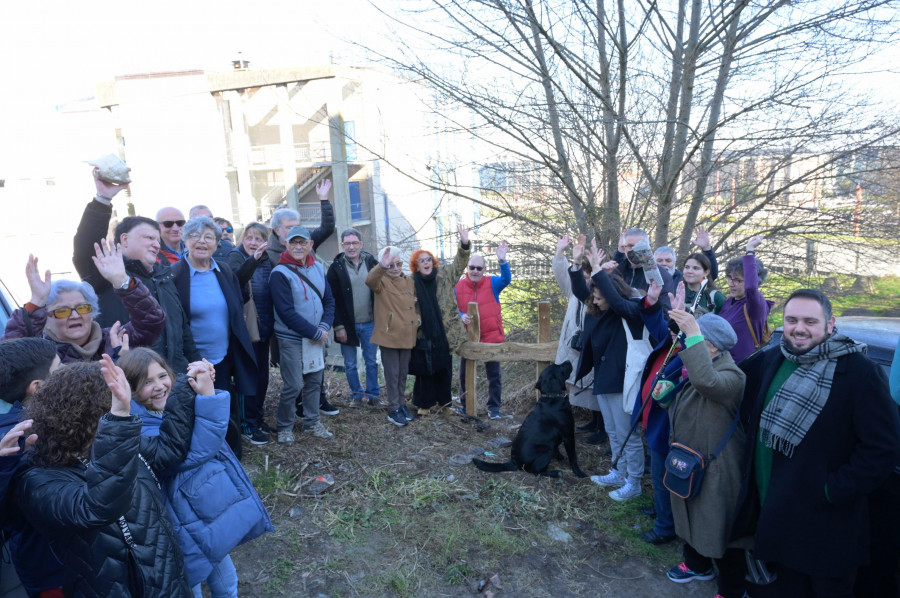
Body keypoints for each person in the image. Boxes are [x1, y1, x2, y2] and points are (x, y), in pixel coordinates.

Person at [731, 289, 900, 596]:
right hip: (774, 513)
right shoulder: (774, 360)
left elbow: (882, 449)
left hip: (824, 526)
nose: (799, 328)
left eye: (810, 321)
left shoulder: (859, 373)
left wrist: (829, 491)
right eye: (792, 319)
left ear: (830, 323)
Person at [12, 356, 196, 597]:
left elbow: (167, 451)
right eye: (111, 403)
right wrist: (119, 420)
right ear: (89, 413)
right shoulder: (36, 478)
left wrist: (184, 386)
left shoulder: (112, 441)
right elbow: (96, 507)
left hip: (164, 576)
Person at [118, 348, 273, 598]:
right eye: (147, 382)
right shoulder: (138, 425)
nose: (159, 386)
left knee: (227, 582)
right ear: (130, 390)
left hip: (203, 517)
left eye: (161, 376)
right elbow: (196, 452)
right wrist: (208, 398)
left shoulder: (173, 403)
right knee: (189, 587)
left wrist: (200, 381)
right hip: (178, 524)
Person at [653, 312, 747, 598]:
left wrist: (691, 330)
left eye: (694, 339)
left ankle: (732, 589)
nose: (683, 344)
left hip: (718, 468)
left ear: (713, 347)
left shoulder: (733, 376)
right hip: (689, 462)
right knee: (689, 512)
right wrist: (669, 399)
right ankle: (697, 564)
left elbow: (708, 384)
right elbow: (693, 410)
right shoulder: (697, 369)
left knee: (720, 526)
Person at [73, 171, 201, 371]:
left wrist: (196, 364)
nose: (156, 244)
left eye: (157, 239)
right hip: (131, 381)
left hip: (173, 378)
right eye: (149, 238)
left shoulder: (165, 276)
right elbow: (86, 247)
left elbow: (183, 330)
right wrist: (102, 200)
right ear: (124, 240)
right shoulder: (108, 273)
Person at [570, 238, 661, 502]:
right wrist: (577, 263)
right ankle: (618, 471)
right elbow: (581, 292)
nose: (595, 302)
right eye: (595, 298)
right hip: (604, 378)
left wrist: (599, 271)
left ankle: (634, 482)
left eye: (599, 297)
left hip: (624, 380)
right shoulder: (600, 309)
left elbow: (614, 299)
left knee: (627, 434)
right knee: (612, 430)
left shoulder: (630, 307)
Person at [171, 217, 258, 459]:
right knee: (194, 411)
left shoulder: (224, 272)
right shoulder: (175, 275)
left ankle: (228, 456)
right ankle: (198, 457)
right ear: (185, 241)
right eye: (195, 236)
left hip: (223, 358)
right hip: (191, 361)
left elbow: (235, 309)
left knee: (222, 409)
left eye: (208, 237)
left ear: (217, 244)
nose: (202, 241)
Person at [4, 249, 165, 363]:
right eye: (62, 311)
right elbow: (10, 357)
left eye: (82, 308)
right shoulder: (40, 354)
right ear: (45, 317)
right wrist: (37, 302)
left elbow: (151, 322)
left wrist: (123, 281)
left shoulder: (113, 339)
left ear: (92, 312)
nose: (75, 315)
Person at [265, 179, 339, 417]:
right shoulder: (268, 255)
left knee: (316, 368)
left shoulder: (308, 248)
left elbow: (327, 227)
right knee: (293, 376)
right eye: (289, 228)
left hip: (315, 323)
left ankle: (317, 402)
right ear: (278, 231)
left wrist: (324, 200)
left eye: (298, 226)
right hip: (288, 326)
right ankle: (295, 408)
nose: (297, 239)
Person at [0, 338, 65, 597]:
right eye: (59, 371)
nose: (67, 372)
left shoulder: (35, 418)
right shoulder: (21, 438)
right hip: (53, 571)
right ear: (37, 388)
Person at [269, 225, 336, 444]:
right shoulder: (279, 273)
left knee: (315, 382)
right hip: (292, 339)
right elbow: (285, 312)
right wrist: (314, 332)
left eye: (302, 242)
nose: (298, 246)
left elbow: (329, 301)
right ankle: (285, 426)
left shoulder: (317, 267)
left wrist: (324, 327)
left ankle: (311, 422)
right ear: (286, 244)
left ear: (310, 245)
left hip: (317, 336)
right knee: (294, 385)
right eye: (294, 242)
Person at [408, 224, 471, 415]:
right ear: (416, 265)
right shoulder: (411, 282)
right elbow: (402, 301)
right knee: (425, 370)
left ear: (432, 262)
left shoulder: (444, 275)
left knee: (444, 369)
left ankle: (444, 404)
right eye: (421, 261)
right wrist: (410, 301)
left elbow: (460, 264)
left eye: (428, 259)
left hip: (445, 332)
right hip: (423, 333)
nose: (426, 263)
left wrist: (465, 243)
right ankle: (424, 405)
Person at [552, 234, 604, 443]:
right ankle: (593, 422)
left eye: (588, 276)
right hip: (573, 346)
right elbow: (563, 275)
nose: (585, 280)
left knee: (597, 385)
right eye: (582, 276)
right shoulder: (574, 291)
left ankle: (602, 428)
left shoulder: (602, 295)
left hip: (593, 346)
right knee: (582, 383)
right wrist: (560, 251)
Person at [225, 222, 273, 444]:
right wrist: (252, 260)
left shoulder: (267, 260)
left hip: (264, 327)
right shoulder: (236, 257)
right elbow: (236, 280)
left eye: (258, 238)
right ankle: (247, 423)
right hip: (246, 328)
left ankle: (257, 417)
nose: (253, 242)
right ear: (242, 239)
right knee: (248, 377)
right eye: (249, 237)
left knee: (263, 376)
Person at [327, 228, 385, 408]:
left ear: (361, 244)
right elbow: (331, 299)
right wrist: (338, 326)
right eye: (347, 243)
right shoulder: (336, 268)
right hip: (347, 324)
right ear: (342, 245)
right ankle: (357, 395)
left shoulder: (372, 262)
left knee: (371, 361)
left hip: (370, 322)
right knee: (351, 364)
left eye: (354, 243)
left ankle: (373, 395)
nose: (351, 247)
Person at [455, 241, 511, 419]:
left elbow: (506, 279)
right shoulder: (459, 287)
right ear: (467, 268)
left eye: (479, 268)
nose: (475, 271)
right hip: (469, 338)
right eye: (472, 267)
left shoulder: (492, 282)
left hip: (491, 337)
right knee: (465, 375)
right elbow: (452, 309)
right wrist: (461, 315)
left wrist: (502, 260)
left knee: (494, 376)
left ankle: (494, 408)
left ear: (484, 269)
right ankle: (466, 407)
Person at [367, 246, 419, 427]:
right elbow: (370, 280)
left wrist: (417, 319)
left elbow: (416, 305)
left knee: (403, 373)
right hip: (389, 335)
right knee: (392, 374)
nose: (395, 268)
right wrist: (383, 265)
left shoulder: (409, 281)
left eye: (398, 264)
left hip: (407, 334)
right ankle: (393, 409)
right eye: (391, 265)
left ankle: (402, 404)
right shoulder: (381, 281)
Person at [717, 234, 773, 362]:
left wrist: (750, 249)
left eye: (737, 280)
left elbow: (751, 288)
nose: (731, 283)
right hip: (720, 365)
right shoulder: (729, 302)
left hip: (742, 368)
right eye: (730, 278)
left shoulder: (755, 305)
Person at [613, 228, 676, 305]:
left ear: (648, 247)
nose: (635, 250)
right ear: (624, 248)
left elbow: (665, 312)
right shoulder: (617, 271)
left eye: (640, 245)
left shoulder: (662, 276)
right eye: (630, 246)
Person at [653, 227, 720, 288]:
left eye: (668, 260)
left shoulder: (684, 279)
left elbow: (710, 275)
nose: (664, 263)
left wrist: (707, 249)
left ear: (674, 262)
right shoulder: (646, 278)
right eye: (659, 260)